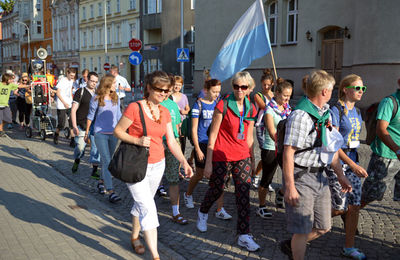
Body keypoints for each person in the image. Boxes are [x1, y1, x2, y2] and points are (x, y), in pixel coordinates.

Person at [113, 70, 192, 260]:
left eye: (167, 91)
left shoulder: (164, 111)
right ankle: (156, 256)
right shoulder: (134, 108)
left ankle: (134, 236)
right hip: (135, 165)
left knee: (143, 202)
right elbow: (118, 131)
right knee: (148, 207)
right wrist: (137, 140)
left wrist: (184, 161)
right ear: (149, 88)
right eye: (160, 90)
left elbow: (171, 141)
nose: (164, 94)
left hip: (158, 165)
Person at [280, 70, 352, 260]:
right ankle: (297, 251)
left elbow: (331, 149)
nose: (332, 92)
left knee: (323, 226)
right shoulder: (300, 116)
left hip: (321, 176)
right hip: (301, 176)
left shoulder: (325, 114)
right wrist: (289, 187)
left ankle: (293, 245)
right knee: (302, 229)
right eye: (331, 89)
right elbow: (288, 153)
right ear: (324, 92)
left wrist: (341, 175)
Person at [197, 71, 259, 251]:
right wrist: (208, 162)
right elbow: (213, 135)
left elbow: (249, 136)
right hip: (221, 155)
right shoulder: (223, 104)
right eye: (236, 86)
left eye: (243, 87)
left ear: (249, 88)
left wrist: (252, 158)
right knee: (217, 189)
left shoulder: (251, 108)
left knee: (243, 194)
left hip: (242, 156)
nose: (239, 90)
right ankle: (203, 212)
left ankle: (244, 235)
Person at [327, 74, 368, 259]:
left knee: (355, 206)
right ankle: (308, 226)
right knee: (339, 208)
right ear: (345, 89)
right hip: (338, 163)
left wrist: (354, 164)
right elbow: (333, 144)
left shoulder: (357, 112)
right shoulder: (336, 110)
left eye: (362, 88)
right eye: (357, 88)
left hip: (353, 162)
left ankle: (349, 247)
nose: (361, 91)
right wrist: (351, 164)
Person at [184, 78, 232, 218]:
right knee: (199, 175)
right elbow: (193, 129)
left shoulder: (219, 104)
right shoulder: (198, 105)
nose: (217, 94)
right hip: (202, 143)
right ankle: (188, 194)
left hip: (216, 144)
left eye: (218, 91)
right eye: (214, 91)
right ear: (206, 90)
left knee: (219, 177)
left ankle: (219, 209)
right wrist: (197, 149)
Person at [256, 78, 292, 218]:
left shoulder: (288, 109)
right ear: (276, 93)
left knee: (291, 177)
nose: (287, 98)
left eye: (289, 96)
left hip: (285, 148)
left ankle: (282, 194)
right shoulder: (269, 109)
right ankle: (261, 206)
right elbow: (271, 130)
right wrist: (279, 142)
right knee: (267, 178)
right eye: (284, 95)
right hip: (271, 148)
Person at [361, 79, 400, 206]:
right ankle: (349, 213)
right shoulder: (389, 102)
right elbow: (381, 130)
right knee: (369, 195)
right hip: (386, 156)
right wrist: (397, 150)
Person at [86, 74, 122, 203]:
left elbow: (119, 116)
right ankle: (111, 191)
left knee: (109, 161)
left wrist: (124, 130)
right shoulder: (96, 99)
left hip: (113, 134)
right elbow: (90, 116)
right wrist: (86, 133)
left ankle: (101, 182)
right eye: (114, 83)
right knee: (106, 161)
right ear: (107, 84)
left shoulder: (115, 98)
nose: (115, 85)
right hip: (100, 134)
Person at [159, 82, 189, 224]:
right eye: (163, 90)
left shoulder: (172, 105)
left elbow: (176, 126)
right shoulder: (152, 104)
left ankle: (175, 212)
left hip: (172, 142)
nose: (165, 92)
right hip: (157, 143)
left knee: (173, 178)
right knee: (151, 176)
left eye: (168, 90)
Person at [70, 72, 101, 179]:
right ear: (87, 80)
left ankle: (94, 171)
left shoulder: (98, 93)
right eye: (92, 81)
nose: (94, 84)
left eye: (96, 82)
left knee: (96, 149)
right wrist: (74, 126)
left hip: (95, 126)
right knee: (80, 147)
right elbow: (73, 110)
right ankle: (77, 159)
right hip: (82, 124)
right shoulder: (80, 92)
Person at [253, 69, 275, 192]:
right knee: (265, 154)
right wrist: (276, 100)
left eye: (269, 85)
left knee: (271, 156)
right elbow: (266, 107)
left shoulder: (275, 95)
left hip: (273, 126)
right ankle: (257, 176)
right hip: (261, 126)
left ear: (272, 84)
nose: (266, 87)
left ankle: (267, 180)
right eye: (264, 84)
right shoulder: (258, 95)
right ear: (261, 83)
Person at [54, 67, 76, 146]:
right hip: (61, 105)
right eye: (71, 75)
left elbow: (70, 90)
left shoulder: (71, 80)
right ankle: (56, 135)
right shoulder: (62, 80)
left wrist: (72, 100)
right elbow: (58, 93)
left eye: (74, 76)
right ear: (67, 73)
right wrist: (64, 103)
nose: (72, 77)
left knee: (72, 123)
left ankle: (72, 140)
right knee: (61, 124)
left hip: (69, 104)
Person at [171, 75, 190, 153]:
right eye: (175, 84)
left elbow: (188, 108)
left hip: (183, 124)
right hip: (173, 124)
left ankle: (180, 163)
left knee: (182, 144)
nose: (177, 86)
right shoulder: (169, 97)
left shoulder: (184, 96)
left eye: (179, 85)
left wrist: (185, 112)